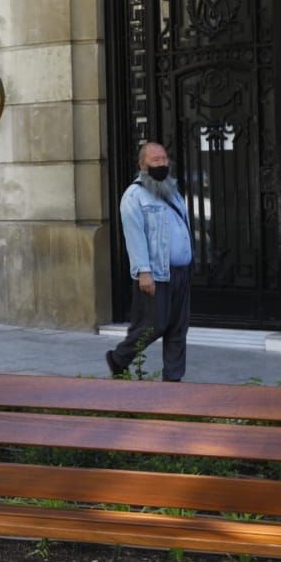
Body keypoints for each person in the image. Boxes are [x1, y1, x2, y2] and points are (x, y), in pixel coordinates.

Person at [107, 141, 192, 382]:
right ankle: (119, 358)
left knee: (178, 328)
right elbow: (134, 237)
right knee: (153, 325)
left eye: (164, 159)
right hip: (156, 274)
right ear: (142, 165)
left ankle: (173, 380)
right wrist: (143, 272)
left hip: (180, 272)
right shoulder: (133, 196)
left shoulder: (172, 191)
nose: (162, 163)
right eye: (156, 160)